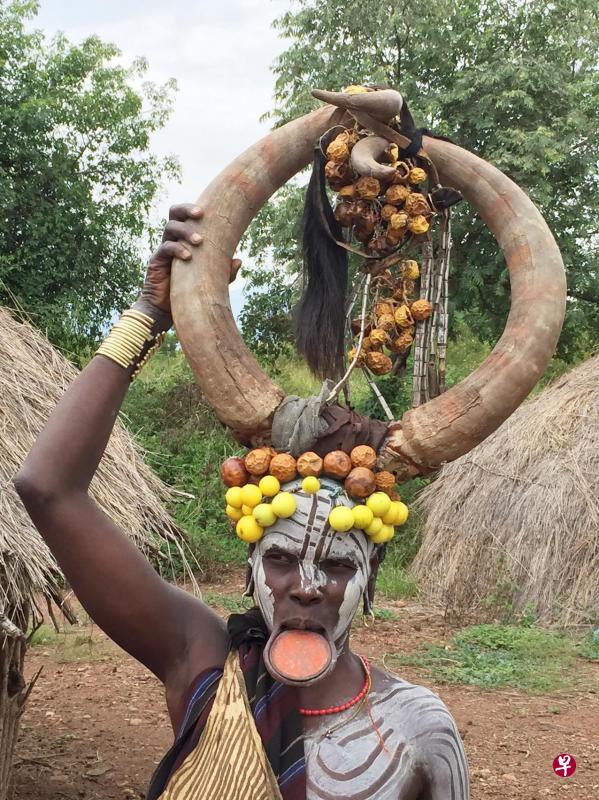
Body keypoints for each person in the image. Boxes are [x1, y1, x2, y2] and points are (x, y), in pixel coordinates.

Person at [14, 204, 469, 799]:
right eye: (280, 559)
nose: (306, 587)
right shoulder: (200, 660)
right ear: (251, 567)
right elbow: (46, 488)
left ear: (371, 572)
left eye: (336, 565)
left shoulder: (420, 731)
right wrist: (152, 312)